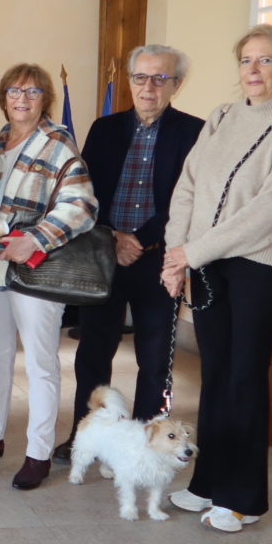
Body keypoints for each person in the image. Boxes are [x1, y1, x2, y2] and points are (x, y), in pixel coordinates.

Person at [161, 24, 272, 533]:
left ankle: (242, 497)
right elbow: (187, 185)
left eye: (266, 61)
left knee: (244, 378)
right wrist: (174, 254)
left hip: (258, 263)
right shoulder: (223, 116)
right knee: (215, 374)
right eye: (245, 61)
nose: (252, 71)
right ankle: (207, 482)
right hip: (206, 260)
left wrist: (193, 250)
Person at [54, 45, 204, 462]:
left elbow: (188, 200)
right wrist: (114, 236)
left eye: (160, 78)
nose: (149, 87)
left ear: (176, 84)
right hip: (105, 255)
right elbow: (84, 190)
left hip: (160, 260)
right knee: (92, 354)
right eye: (140, 77)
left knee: (155, 358)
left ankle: (146, 443)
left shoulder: (195, 132)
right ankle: (85, 437)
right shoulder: (105, 128)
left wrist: (139, 237)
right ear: (129, 81)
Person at [0, 63, 97, 491]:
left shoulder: (58, 145)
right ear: (3, 98)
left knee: (39, 362)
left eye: (32, 92)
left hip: (37, 269)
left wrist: (34, 239)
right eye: (14, 91)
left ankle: (38, 452)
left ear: (45, 100)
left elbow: (82, 206)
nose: (22, 99)